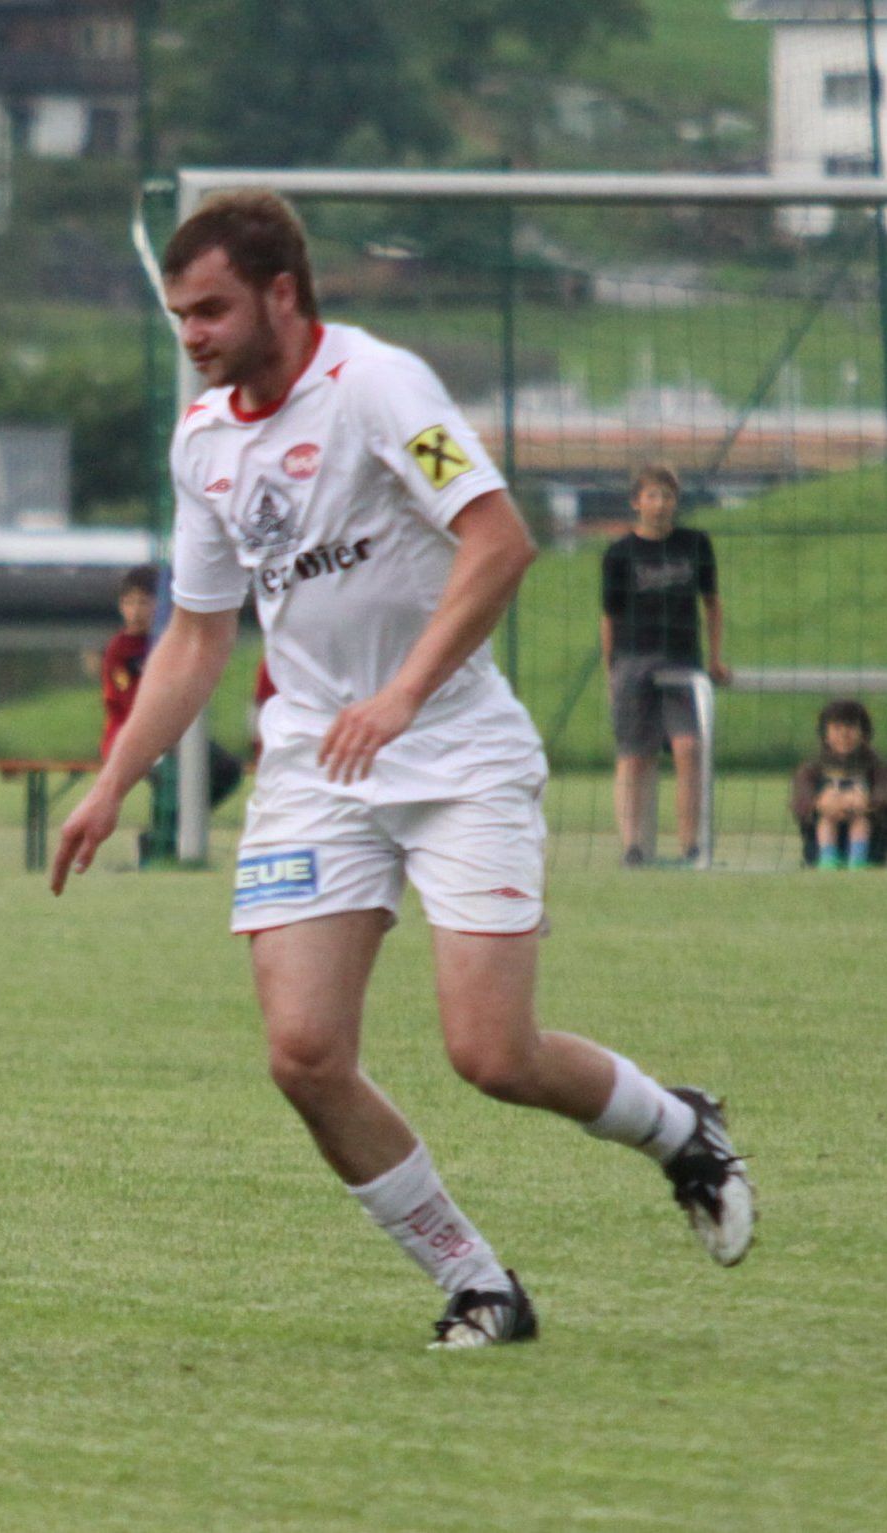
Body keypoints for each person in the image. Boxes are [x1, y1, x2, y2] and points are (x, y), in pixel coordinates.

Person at [50, 190, 754, 1349]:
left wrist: (402, 694)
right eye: (179, 315)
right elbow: (196, 635)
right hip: (317, 767)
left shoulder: (378, 385)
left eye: (211, 309)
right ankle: (480, 1285)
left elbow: (499, 539)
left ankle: (679, 1129)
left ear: (282, 292)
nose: (193, 336)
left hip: (456, 751)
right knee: (304, 1055)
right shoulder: (203, 440)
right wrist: (113, 780)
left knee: (492, 1054)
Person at [601, 466, 729, 866]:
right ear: (636, 502)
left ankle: (692, 844)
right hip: (634, 660)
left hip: (682, 660)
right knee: (635, 755)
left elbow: (711, 603)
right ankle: (633, 847)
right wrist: (611, 672)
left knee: (689, 748)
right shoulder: (619, 554)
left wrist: (714, 658)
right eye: (653, 496)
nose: (661, 504)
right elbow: (610, 617)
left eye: (668, 496)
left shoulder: (694, 544)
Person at [791, 699, 886, 869]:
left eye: (850, 728)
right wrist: (820, 804)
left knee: (862, 821)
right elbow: (800, 802)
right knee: (825, 821)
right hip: (821, 834)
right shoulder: (811, 769)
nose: (843, 734)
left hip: (870, 839)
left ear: (863, 733)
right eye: (836, 728)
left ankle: (859, 859)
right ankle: (828, 859)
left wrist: (867, 803)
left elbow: (883, 792)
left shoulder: (876, 767)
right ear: (825, 735)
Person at [100, 564, 158, 761]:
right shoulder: (119, 650)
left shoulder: (167, 642)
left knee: (225, 769)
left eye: (143, 603)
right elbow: (126, 702)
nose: (135, 612)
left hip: (164, 731)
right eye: (129, 603)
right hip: (125, 733)